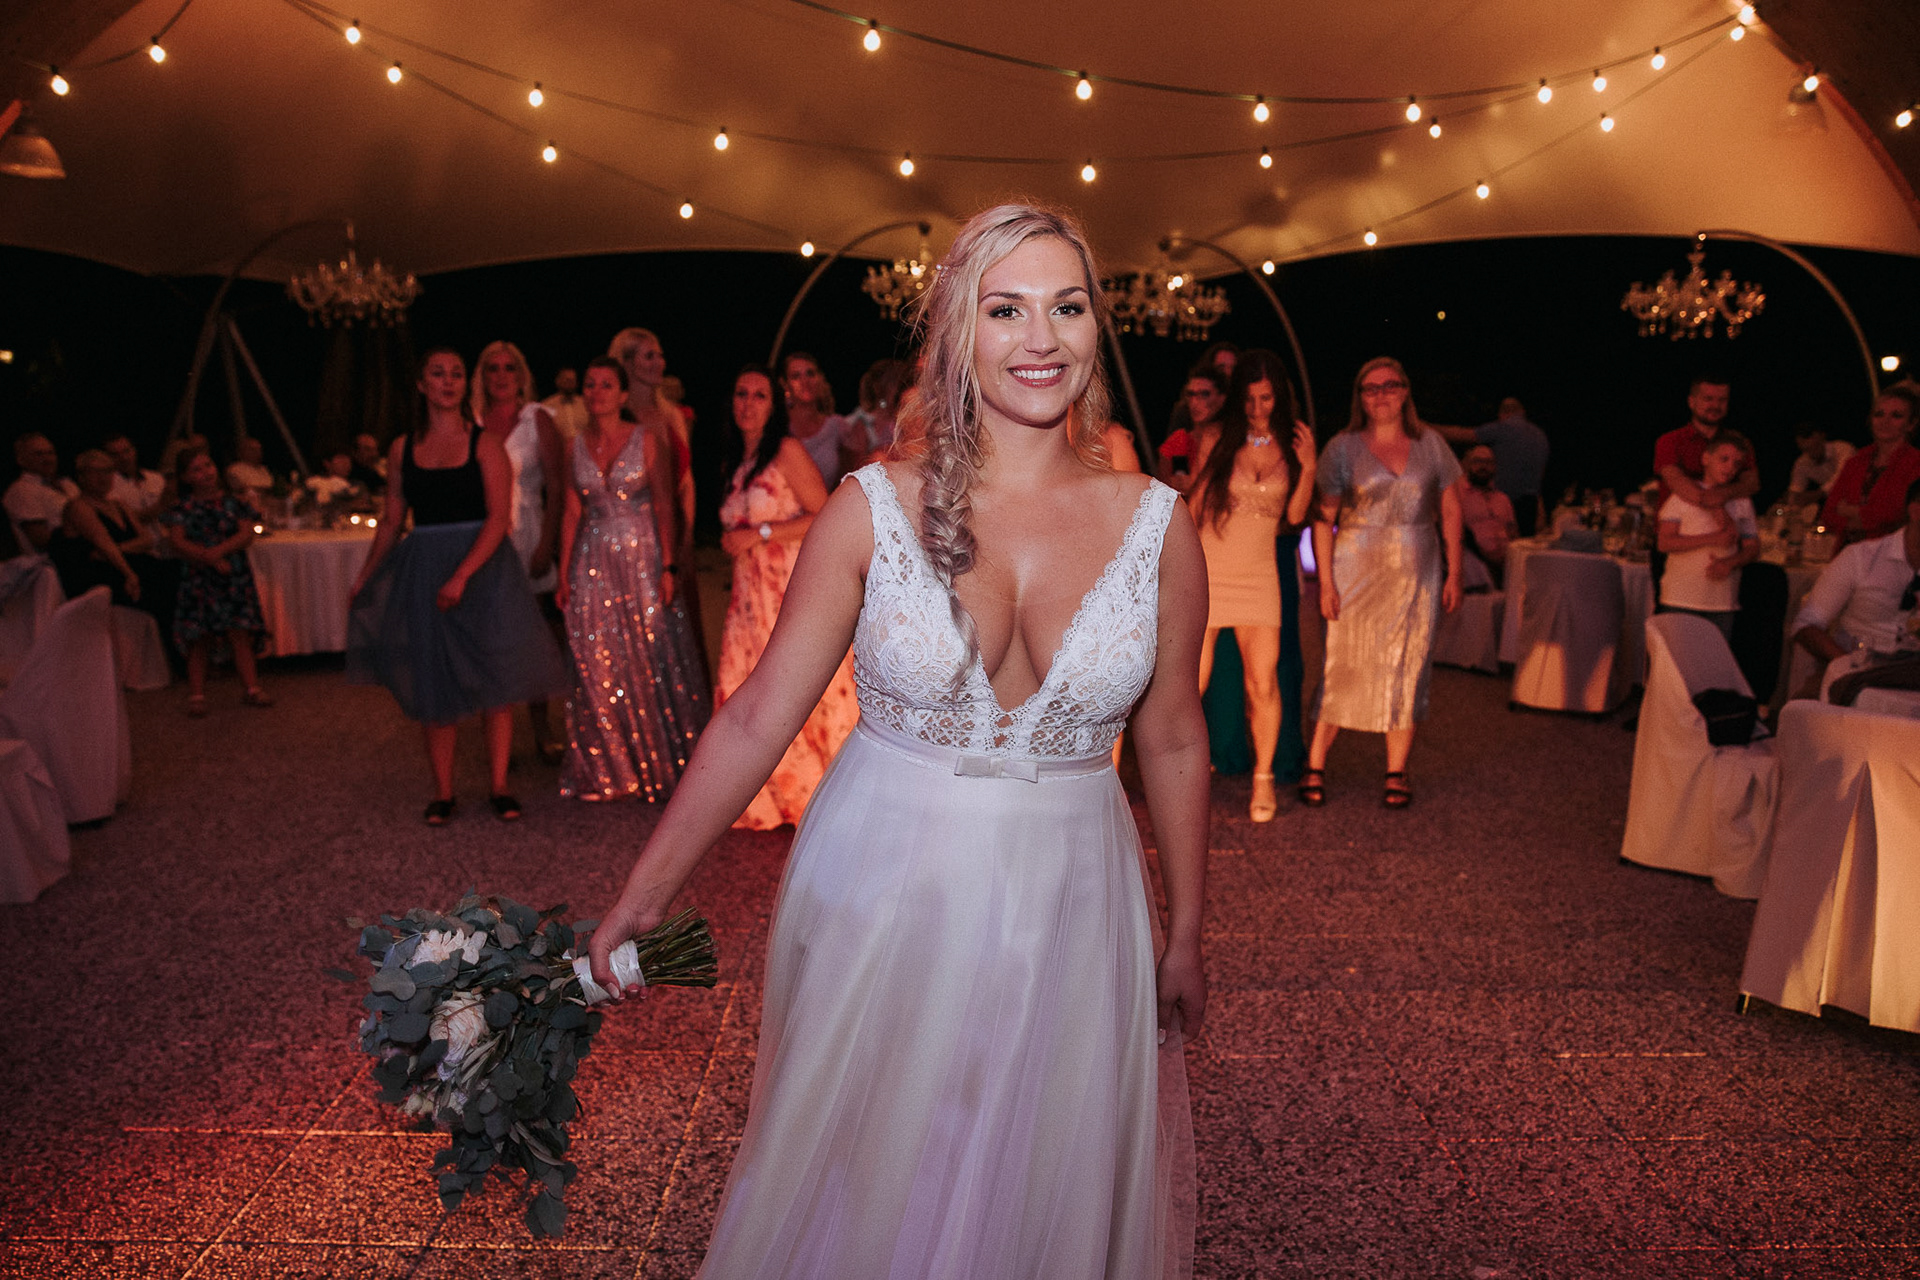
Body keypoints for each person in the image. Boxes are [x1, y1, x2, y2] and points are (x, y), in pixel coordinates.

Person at [589, 203, 1206, 1277]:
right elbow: (757, 713)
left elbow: (1176, 737)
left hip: (1076, 896)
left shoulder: (1157, 521)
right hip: (887, 886)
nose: (1040, 338)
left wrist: (1188, 928)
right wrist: (646, 892)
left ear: (1096, 329)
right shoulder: (870, 507)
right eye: (1005, 309)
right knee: (874, 1172)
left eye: (1066, 307)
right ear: (959, 330)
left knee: (1041, 1172)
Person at [347, 348, 569, 825]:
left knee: (495, 677)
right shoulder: (402, 448)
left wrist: (463, 574)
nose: (448, 382)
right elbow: (391, 519)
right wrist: (365, 575)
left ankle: (500, 786)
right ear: (422, 384)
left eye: (456, 374)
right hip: (425, 565)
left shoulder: (484, 444)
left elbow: (498, 517)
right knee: (433, 675)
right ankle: (443, 792)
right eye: (438, 374)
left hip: (483, 566)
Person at [1305, 357, 1464, 809]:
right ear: (1360, 397)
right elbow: (1323, 518)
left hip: (1417, 571)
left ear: (1405, 391)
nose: (1381, 395)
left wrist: (1455, 571)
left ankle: (1397, 769)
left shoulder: (1431, 444)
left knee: (1407, 665)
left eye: (1390, 386)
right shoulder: (1342, 447)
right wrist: (1327, 583)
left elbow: (1451, 508)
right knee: (1344, 662)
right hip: (1357, 568)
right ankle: (1315, 764)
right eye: (1371, 388)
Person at [556, 356, 711, 802]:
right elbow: (571, 510)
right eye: (590, 384)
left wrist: (669, 566)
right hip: (592, 558)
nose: (596, 392)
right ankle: (612, 768)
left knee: (650, 652)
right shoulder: (573, 445)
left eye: (606, 384)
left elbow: (664, 503)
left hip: (643, 554)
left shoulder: (645, 439)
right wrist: (564, 572)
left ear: (622, 394)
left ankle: (665, 760)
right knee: (598, 659)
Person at [715, 364, 856, 828]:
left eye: (759, 396)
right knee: (751, 692)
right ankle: (764, 796)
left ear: (775, 405)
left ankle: (817, 794)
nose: (747, 404)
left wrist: (761, 533)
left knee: (795, 686)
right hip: (748, 595)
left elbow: (825, 513)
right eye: (741, 394)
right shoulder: (737, 458)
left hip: (787, 586)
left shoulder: (786, 450)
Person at [1186, 349, 1317, 820]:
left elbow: (1295, 517)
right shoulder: (1217, 437)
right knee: (1191, 683)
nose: (1258, 408)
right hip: (1212, 567)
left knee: (1263, 682)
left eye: (1266, 398)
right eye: (1249, 399)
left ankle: (1263, 780)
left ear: (1279, 397)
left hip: (1259, 573)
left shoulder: (1293, 443)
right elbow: (1195, 507)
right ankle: (1180, 773)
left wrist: (1309, 467)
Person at [474, 339, 569, 765]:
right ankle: (498, 735)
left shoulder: (537, 419)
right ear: (482, 377)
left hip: (528, 530)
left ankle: (541, 727)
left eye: (508, 368)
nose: (501, 376)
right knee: (489, 638)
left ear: (521, 375)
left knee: (535, 636)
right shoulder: (472, 420)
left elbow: (557, 485)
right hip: (483, 535)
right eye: (492, 368)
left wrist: (547, 543)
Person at [161, 446, 271, 716]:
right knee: (200, 637)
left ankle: (251, 687)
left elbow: (246, 534)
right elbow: (177, 541)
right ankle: (197, 694)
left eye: (208, 466)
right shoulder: (182, 507)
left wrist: (218, 552)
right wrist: (207, 557)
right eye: (196, 470)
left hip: (233, 574)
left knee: (239, 632)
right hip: (199, 577)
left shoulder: (235, 503)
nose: (206, 473)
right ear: (186, 477)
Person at [1792, 477, 1920, 699]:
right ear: (1916, 511)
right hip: (1853, 672)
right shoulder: (1860, 557)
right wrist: (1850, 665)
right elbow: (1806, 626)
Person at [1657, 432, 1759, 641]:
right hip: (1680, 597)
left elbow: (1753, 546)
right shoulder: (1683, 496)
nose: (1730, 467)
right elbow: (1664, 542)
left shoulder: (1742, 502)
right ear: (1706, 458)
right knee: (1677, 657)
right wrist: (1712, 539)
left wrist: (1730, 562)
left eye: (1736, 463)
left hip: (1722, 601)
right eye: (1724, 459)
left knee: (1714, 658)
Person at [1820, 387, 1920, 546]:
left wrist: (1849, 511)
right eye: (1879, 414)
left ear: (1911, 424)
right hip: (1848, 551)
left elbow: (1897, 516)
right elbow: (1828, 514)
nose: (1885, 421)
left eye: (1896, 415)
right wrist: (1869, 518)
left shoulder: (1915, 464)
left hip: (1893, 552)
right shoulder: (1855, 462)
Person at [1438, 397, 1549, 535]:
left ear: (1502, 414)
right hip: (1531, 506)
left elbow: (1462, 435)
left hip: (1501, 503)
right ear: (1523, 412)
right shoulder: (1540, 436)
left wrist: (1424, 428)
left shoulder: (1503, 428)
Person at [1653, 375, 1757, 507]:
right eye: (1708, 399)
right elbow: (1676, 481)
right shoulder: (1669, 441)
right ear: (1691, 402)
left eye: (1722, 400)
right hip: (1677, 518)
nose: (1716, 405)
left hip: (1725, 518)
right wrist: (1712, 502)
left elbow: (1751, 483)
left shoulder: (1740, 442)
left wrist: (1722, 494)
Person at [780, 352, 852, 489]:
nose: (805, 381)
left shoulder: (837, 427)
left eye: (810, 374)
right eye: (796, 376)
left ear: (820, 378)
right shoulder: (777, 428)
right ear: (785, 384)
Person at [5, 434, 77, 552]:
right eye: (38, 454)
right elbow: (40, 539)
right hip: (52, 559)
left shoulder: (67, 484)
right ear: (21, 460)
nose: (47, 459)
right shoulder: (22, 490)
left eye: (50, 453)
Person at [1458, 444, 1517, 586]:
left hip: (1506, 564)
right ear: (1467, 465)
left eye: (1488, 462)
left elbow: (1513, 533)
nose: (1483, 466)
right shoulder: (1458, 497)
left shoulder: (1503, 499)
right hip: (1474, 565)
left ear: (1494, 467)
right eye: (1477, 461)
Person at [840, 358, 914, 471]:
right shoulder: (863, 422)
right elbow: (855, 466)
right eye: (897, 383)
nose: (902, 388)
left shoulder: (905, 417)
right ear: (880, 387)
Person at [1158, 365, 1226, 485]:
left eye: (1204, 394)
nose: (1195, 402)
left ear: (1222, 398)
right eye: (1190, 394)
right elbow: (1172, 486)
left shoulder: (1233, 438)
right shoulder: (1180, 441)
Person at [1781, 423, 1853, 512]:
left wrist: (1819, 493)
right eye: (1806, 450)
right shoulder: (1802, 462)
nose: (1811, 452)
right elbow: (1796, 488)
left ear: (1822, 436)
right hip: (1837, 503)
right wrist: (1791, 499)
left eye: (1815, 446)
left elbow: (1844, 476)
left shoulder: (1843, 449)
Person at [102, 433, 166, 522]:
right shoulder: (109, 486)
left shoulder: (155, 478)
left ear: (134, 450)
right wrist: (163, 504)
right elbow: (126, 520)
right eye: (115, 455)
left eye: (126, 451)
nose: (124, 458)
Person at [540, 367, 589, 440]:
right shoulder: (547, 406)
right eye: (567, 380)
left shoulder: (586, 404)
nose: (570, 383)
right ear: (558, 381)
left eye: (572, 380)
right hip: (558, 445)